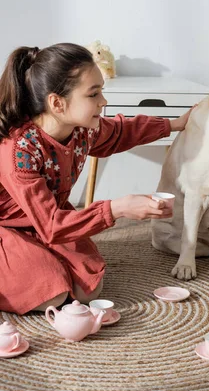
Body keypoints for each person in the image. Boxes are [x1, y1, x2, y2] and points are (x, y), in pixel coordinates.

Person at [0, 43, 193, 315]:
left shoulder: (81, 130)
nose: (103, 102)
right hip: (9, 228)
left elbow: (120, 131)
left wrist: (172, 124)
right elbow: (52, 227)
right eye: (94, 94)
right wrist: (117, 208)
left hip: (48, 222)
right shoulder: (18, 151)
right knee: (52, 295)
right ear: (57, 103)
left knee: (88, 290)